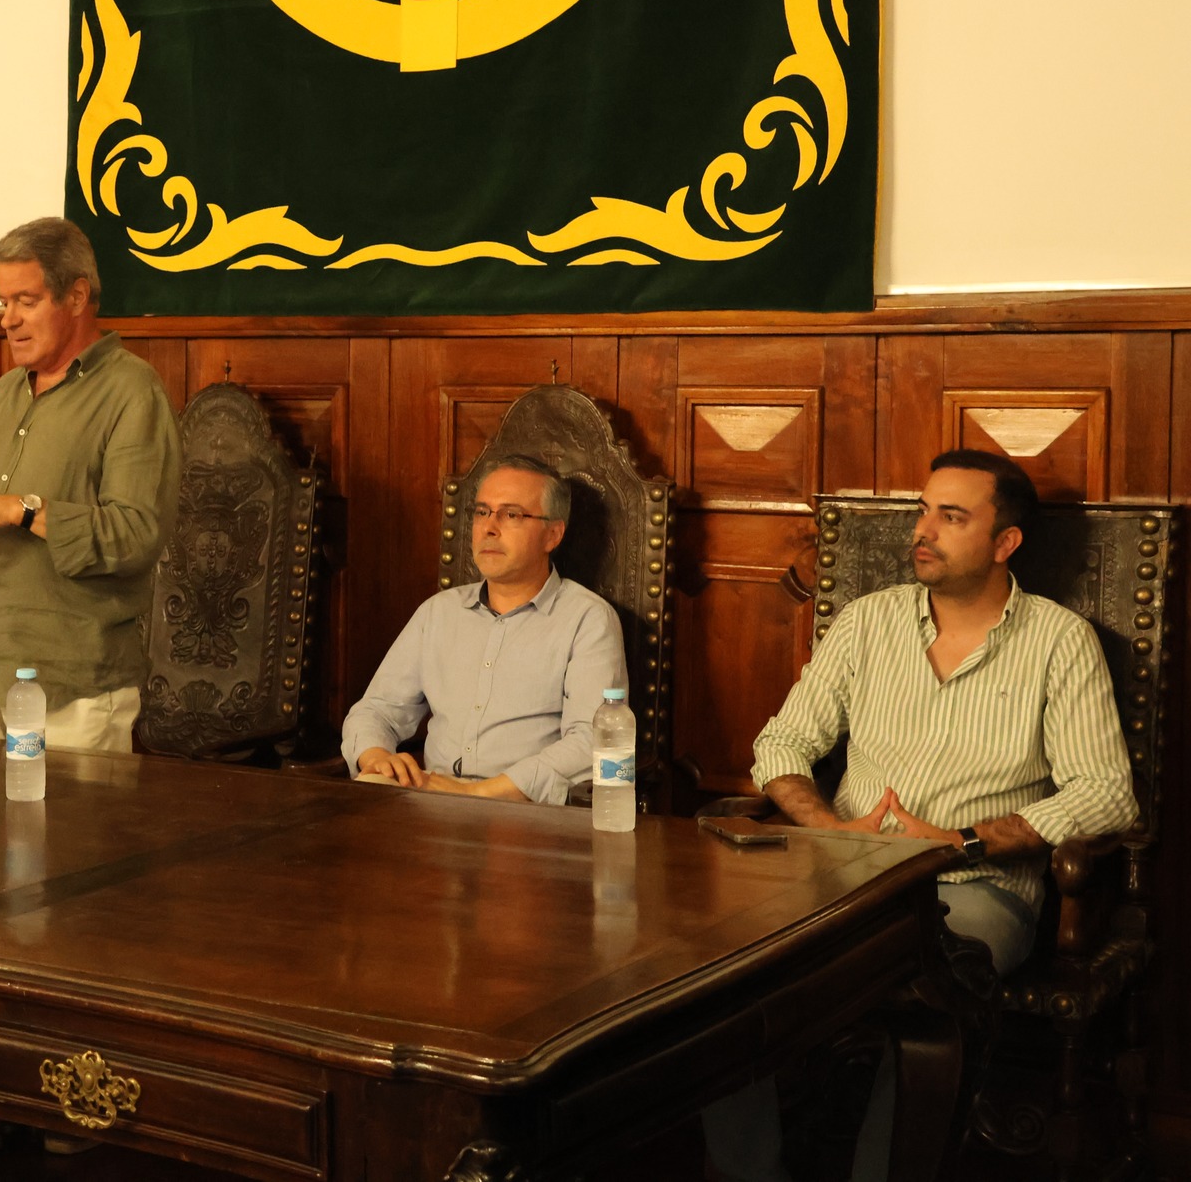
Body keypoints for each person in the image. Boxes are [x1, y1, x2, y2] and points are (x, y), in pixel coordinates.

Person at [704, 450, 1138, 1182]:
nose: (923, 531)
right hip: (839, 872)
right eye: (923, 510)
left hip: (973, 886)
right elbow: (781, 743)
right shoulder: (868, 621)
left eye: (952, 516)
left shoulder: (1060, 641)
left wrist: (959, 840)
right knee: (719, 980)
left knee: (925, 999)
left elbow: (1105, 792)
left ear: (1005, 542)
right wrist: (825, 825)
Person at [0, 217, 179, 757]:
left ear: (77, 296)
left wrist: (23, 509)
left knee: (67, 818)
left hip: (72, 688)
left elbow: (137, 534)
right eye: (4, 302)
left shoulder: (132, 390)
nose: (8, 319)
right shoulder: (6, 392)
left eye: (26, 301)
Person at [341, 456, 625, 802]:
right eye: (481, 512)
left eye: (511, 514)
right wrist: (377, 757)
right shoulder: (439, 612)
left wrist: (481, 793)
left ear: (552, 535)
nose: (489, 528)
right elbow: (376, 710)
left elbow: (593, 740)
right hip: (431, 799)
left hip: (525, 810)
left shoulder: (588, 619)